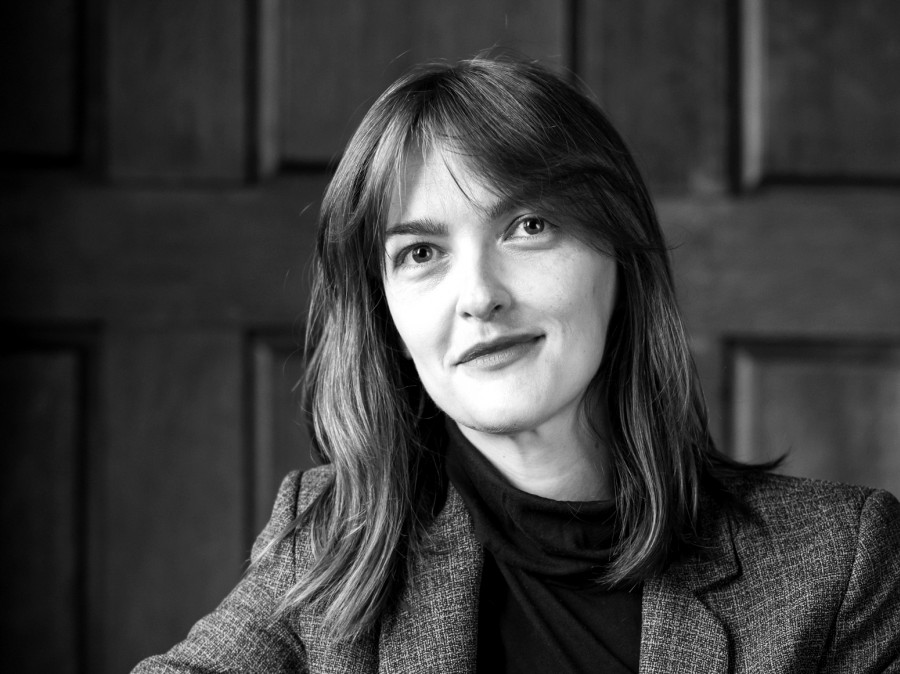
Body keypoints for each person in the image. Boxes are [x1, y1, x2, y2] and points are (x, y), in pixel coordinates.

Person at [133, 56, 900, 673]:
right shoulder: (335, 537)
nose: (479, 297)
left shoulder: (839, 565)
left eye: (528, 226)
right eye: (421, 252)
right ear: (388, 317)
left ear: (618, 259)